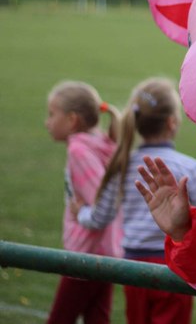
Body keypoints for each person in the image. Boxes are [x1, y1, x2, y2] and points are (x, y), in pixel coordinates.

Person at [71, 77, 196, 324]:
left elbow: (99, 218)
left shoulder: (123, 164)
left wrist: (81, 212)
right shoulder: (189, 168)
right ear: (172, 122)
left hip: (132, 270)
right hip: (174, 268)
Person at [44, 81, 123, 324]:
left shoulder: (79, 151)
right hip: (106, 252)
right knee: (98, 318)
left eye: (51, 114)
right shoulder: (101, 142)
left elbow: (103, 204)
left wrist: (80, 214)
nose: (47, 122)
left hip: (86, 256)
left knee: (60, 319)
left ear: (72, 120)